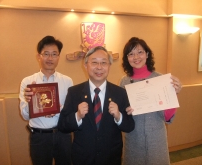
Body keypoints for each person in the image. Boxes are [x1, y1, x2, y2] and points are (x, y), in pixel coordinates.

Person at [58, 46, 135, 165]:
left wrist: (119, 116)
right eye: (94, 62)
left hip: (111, 158)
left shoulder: (120, 93)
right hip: (82, 158)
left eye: (104, 63)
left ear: (109, 66)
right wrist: (77, 116)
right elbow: (62, 126)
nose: (99, 67)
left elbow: (130, 126)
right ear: (85, 65)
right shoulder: (74, 92)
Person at [120, 37, 182, 165]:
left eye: (140, 52)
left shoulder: (160, 79)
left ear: (147, 54)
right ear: (127, 58)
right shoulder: (124, 82)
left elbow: (167, 117)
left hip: (156, 138)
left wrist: (173, 95)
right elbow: (121, 115)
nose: (136, 57)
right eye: (131, 54)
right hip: (133, 138)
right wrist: (126, 111)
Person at [19, 36, 73, 165]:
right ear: (39, 56)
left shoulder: (67, 81)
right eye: (46, 54)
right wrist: (30, 102)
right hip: (39, 137)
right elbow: (25, 115)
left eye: (54, 54)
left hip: (63, 135)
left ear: (59, 57)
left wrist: (57, 109)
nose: (50, 58)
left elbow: (70, 110)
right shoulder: (27, 82)